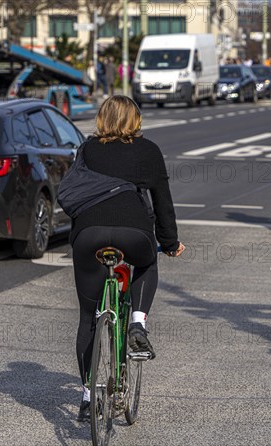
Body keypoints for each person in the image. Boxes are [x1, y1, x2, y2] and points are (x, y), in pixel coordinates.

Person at [70, 96, 186, 421]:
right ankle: (137, 322)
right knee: (148, 262)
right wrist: (171, 241)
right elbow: (163, 202)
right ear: (135, 120)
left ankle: (88, 394)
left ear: (102, 119)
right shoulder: (148, 150)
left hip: (88, 236)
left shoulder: (87, 149)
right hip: (134, 234)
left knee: (87, 318)